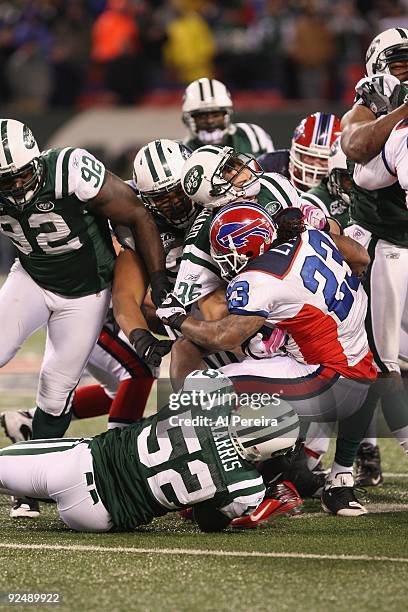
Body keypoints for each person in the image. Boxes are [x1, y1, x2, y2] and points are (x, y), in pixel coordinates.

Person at [157, 202, 377, 516]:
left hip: (326, 381)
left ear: (245, 251)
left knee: (205, 388)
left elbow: (226, 337)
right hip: (361, 372)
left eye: (224, 254)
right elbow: (360, 256)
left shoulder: (257, 279)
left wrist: (178, 318)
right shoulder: (310, 239)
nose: (223, 263)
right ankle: (334, 476)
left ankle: (221, 480)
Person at [0, 369, 299, 533]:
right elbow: (207, 522)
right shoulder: (246, 488)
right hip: (101, 519)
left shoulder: (211, 393)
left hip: (81, 464)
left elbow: (196, 376)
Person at [340, 28, 408, 471]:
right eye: (399, 62)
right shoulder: (368, 110)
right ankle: (343, 469)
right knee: (378, 367)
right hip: (379, 249)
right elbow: (356, 143)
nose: (407, 71)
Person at [182, 77, 274, 154]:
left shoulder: (251, 136)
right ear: (188, 119)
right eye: (201, 116)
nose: (210, 121)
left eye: (216, 115)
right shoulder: (184, 153)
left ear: (227, 114)